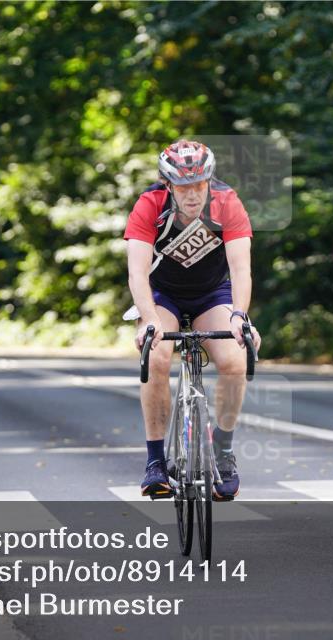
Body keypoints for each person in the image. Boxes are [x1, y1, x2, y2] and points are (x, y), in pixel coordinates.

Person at [124, 139, 262, 500]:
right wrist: (150, 320)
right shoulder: (149, 205)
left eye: (199, 185)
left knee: (235, 358)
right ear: (168, 186)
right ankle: (156, 461)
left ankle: (224, 452)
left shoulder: (227, 203)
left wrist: (239, 316)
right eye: (184, 187)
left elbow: (241, 268)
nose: (192, 194)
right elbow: (137, 274)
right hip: (162, 295)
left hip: (211, 293)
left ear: (209, 181)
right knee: (156, 355)